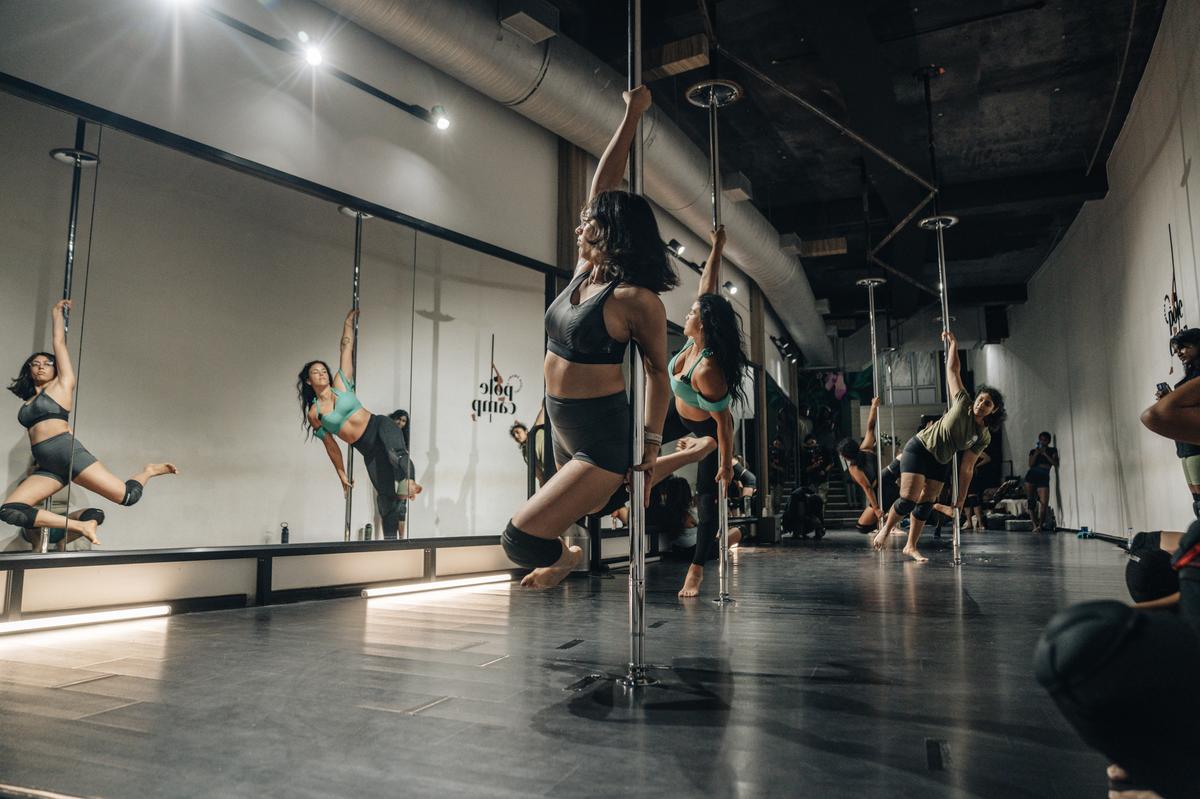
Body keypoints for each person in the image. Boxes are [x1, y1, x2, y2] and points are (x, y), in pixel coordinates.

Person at [499, 85, 676, 589]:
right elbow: (604, 184)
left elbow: (658, 375)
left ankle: (565, 556)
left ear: (612, 232)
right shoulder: (584, 274)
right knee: (570, 514)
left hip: (601, 439)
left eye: (588, 224)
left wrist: (650, 448)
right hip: (560, 425)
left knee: (519, 539)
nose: (580, 228)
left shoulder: (635, 300)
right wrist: (631, 116)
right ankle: (566, 553)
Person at [1, 300, 177, 545]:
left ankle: (148, 471)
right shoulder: (30, 399)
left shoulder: (62, 386)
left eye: (47, 363)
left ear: (56, 369)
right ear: (29, 369)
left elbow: (59, 343)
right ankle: (78, 525)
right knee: (11, 510)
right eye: (35, 364)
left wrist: (56, 315)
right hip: (48, 464)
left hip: (66, 452)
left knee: (127, 497)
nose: (41, 367)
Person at [665, 223, 749, 597]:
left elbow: (725, 422)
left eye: (691, 312)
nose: (685, 314)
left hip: (709, 435)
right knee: (635, 438)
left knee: (706, 501)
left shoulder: (708, 370)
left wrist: (726, 465)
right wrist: (717, 246)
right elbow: (708, 285)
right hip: (678, 414)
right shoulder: (692, 343)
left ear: (703, 323)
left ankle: (697, 569)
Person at [871, 330, 1006, 562]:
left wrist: (961, 499)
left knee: (926, 504)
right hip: (920, 448)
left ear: (993, 411)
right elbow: (953, 371)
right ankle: (885, 529)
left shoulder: (983, 436)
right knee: (909, 499)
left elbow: (967, 468)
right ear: (976, 399)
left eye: (988, 404)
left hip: (941, 460)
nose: (982, 404)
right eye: (981, 399)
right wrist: (953, 344)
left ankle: (910, 546)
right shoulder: (963, 402)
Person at [298, 308, 413, 541]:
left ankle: (408, 480)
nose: (321, 374)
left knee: (395, 454)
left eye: (323, 370)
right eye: (315, 372)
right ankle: (391, 544)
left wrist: (348, 323)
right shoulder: (315, 413)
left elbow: (346, 348)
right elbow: (331, 445)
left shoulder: (341, 383)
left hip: (379, 426)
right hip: (367, 449)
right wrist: (341, 473)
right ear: (309, 380)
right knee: (384, 498)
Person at [1150, 327, 1200, 519]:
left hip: (1195, 446)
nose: (1179, 353)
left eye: (1184, 347)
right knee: (1196, 501)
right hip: (1184, 447)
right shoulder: (1189, 377)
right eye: (1177, 349)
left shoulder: (1196, 379)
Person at [387, 409, 422, 539]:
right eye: (399, 419)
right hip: (389, 473)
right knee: (390, 506)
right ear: (394, 418)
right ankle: (391, 539)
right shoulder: (387, 431)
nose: (400, 423)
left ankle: (401, 538)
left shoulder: (403, 438)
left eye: (403, 421)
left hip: (401, 473)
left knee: (402, 507)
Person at [1023, 431, 1059, 531]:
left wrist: (1045, 454)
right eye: (1041, 440)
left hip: (1044, 476)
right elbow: (1030, 464)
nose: (1043, 442)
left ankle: (1040, 525)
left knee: (1044, 503)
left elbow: (1055, 463)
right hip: (1032, 475)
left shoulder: (1052, 450)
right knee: (1031, 501)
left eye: (1045, 440)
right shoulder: (1033, 451)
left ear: (1048, 441)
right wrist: (1037, 453)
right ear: (1039, 440)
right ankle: (1035, 526)